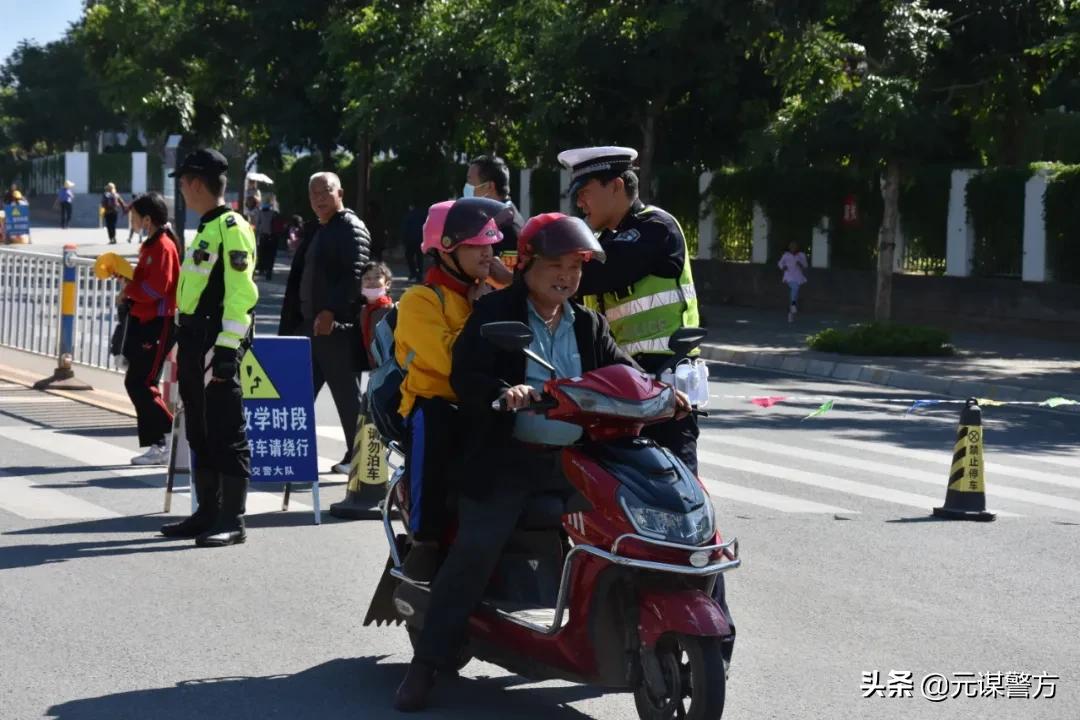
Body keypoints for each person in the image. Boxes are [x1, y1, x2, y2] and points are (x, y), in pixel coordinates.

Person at [394, 212, 675, 711]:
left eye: (576, 266)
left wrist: (668, 391)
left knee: (654, 520)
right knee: (477, 546)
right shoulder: (496, 313)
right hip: (508, 459)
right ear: (525, 264)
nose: (567, 276)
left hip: (578, 458)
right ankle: (428, 664)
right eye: (555, 265)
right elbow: (468, 377)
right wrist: (507, 393)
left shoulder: (586, 322)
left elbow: (621, 372)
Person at [558, 146, 702, 475]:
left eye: (585, 192)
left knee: (674, 483)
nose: (580, 203)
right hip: (618, 382)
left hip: (664, 379)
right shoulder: (602, 240)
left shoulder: (655, 228)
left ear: (617, 186)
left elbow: (597, 276)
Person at [394, 197, 509, 581]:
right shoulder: (419, 300)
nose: (487, 252)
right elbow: (452, 365)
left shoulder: (490, 295)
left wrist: (510, 291)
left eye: (490, 244)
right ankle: (424, 542)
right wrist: (481, 315)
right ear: (445, 250)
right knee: (436, 417)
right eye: (476, 244)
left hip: (487, 404)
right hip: (439, 404)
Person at [160, 149, 258, 548]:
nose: (181, 189)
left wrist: (227, 350)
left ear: (196, 183)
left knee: (225, 431)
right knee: (198, 431)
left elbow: (241, 295)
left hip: (216, 343)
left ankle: (232, 519)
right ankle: (205, 512)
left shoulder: (232, 226)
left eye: (182, 182)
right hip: (193, 339)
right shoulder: (207, 226)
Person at [277, 172, 370, 475]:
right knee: (298, 393)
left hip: (335, 328)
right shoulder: (318, 228)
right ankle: (286, 453)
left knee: (346, 395)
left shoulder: (350, 227)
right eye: (313, 193)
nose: (318, 198)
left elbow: (355, 274)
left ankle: (362, 461)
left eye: (325, 191)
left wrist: (331, 311)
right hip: (309, 326)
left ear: (340, 192)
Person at [120, 193, 180, 465]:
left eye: (134, 216)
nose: (131, 221)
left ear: (147, 219)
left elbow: (156, 288)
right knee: (140, 382)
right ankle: (161, 443)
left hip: (159, 321)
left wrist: (129, 289)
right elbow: (146, 281)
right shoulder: (151, 245)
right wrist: (126, 278)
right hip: (145, 321)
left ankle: (170, 439)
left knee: (141, 382)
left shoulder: (163, 246)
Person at [464, 155, 526, 259]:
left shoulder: (507, 227)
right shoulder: (497, 218)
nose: (467, 186)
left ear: (489, 186)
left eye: (470, 181)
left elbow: (505, 272)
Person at [359, 261, 394, 369]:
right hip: (371, 367)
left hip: (390, 366)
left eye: (377, 277)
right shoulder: (363, 311)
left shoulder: (391, 309)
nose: (372, 282)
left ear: (387, 284)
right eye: (367, 278)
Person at [778, 241, 808, 323]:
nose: (793, 248)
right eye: (791, 246)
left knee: (795, 294)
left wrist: (800, 263)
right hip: (789, 276)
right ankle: (793, 307)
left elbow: (805, 265)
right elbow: (780, 263)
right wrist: (783, 267)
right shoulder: (786, 255)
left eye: (795, 246)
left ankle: (791, 313)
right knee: (795, 288)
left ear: (797, 247)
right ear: (789, 247)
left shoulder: (801, 255)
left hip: (798, 276)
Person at [254, 193, 280, 281]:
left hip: (264, 237)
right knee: (271, 255)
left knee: (263, 253)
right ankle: (269, 271)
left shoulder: (260, 213)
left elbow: (257, 226)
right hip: (274, 237)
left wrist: (256, 235)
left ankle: (262, 269)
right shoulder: (275, 213)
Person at [400, 204, 426, 282]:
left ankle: (413, 272)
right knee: (419, 257)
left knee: (409, 256)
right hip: (420, 239)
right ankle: (420, 274)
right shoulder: (422, 214)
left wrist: (404, 239)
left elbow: (405, 228)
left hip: (410, 240)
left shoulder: (408, 215)